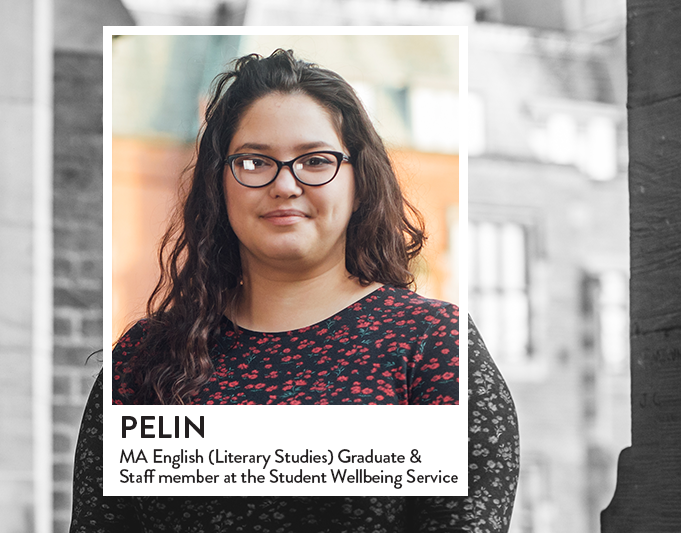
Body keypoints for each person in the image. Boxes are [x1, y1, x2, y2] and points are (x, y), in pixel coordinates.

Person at [71, 49, 518, 531]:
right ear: (219, 184)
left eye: (315, 160)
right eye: (254, 161)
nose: (284, 184)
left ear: (358, 180)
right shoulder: (144, 359)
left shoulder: (431, 345)